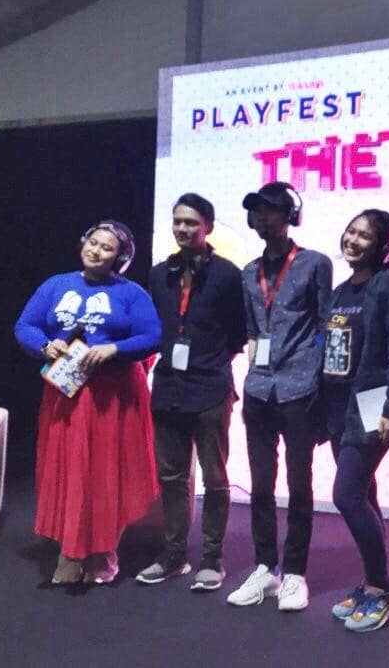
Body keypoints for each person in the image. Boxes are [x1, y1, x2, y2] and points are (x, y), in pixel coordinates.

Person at [14, 220, 161, 585]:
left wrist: (114, 348)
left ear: (120, 258)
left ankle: (104, 551)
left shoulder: (131, 293)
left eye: (106, 247)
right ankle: (70, 550)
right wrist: (45, 345)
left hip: (113, 398)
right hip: (66, 393)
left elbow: (153, 335)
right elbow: (25, 326)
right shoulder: (56, 284)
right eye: (92, 243)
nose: (96, 251)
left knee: (106, 474)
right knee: (71, 472)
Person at [227, 182, 332, 611]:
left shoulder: (314, 263)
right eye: (256, 211)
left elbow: (326, 325)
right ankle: (265, 568)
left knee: (299, 483)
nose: (262, 217)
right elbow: (253, 328)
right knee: (261, 483)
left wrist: (321, 380)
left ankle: (295, 573)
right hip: (258, 388)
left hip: (300, 387)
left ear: (291, 215)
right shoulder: (248, 271)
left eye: (270, 210)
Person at [136, 193, 246, 591]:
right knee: (171, 477)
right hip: (168, 387)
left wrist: (210, 360)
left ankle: (212, 559)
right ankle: (174, 555)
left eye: (191, 223)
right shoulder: (158, 274)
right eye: (178, 221)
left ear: (208, 227)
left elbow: (239, 332)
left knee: (215, 478)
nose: (182, 229)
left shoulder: (228, 275)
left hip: (211, 388)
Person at [320, 209, 389, 632]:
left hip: (374, 403)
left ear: (383, 246)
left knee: (346, 495)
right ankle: (371, 581)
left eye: (365, 235)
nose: (354, 240)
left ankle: (382, 587)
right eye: (351, 231)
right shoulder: (340, 291)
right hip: (338, 407)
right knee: (363, 492)